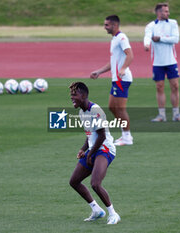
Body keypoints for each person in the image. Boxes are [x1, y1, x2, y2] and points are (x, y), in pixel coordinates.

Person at [68, 82, 121, 225]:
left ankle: (113, 214)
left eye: (75, 95)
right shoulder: (82, 112)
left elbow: (102, 135)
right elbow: (90, 135)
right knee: (74, 181)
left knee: (96, 183)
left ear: (84, 95)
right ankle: (97, 210)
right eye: (71, 95)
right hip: (93, 150)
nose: (72, 98)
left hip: (105, 150)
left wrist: (90, 153)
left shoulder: (95, 110)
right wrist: (83, 149)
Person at [90, 15, 134, 146]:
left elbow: (130, 54)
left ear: (114, 25)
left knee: (120, 109)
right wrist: (99, 71)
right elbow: (112, 62)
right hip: (116, 80)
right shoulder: (114, 39)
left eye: (106, 25)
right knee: (112, 107)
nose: (105, 27)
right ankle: (124, 134)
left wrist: (124, 68)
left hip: (122, 79)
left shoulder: (121, 38)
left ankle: (127, 137)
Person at [144, 3, 180, 122]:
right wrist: (146, 44)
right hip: (157, 62)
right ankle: (161, 115)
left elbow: (175, 39)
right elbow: (147, 36)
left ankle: (176, 114)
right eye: (165, 11)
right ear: (158, 13)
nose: (168, 13)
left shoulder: (173, 23)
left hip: (171, 61)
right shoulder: (151, 26)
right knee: (159, 87)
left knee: (175, 86)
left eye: (168, 11)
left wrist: (160, 39)